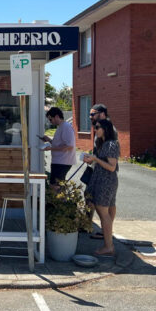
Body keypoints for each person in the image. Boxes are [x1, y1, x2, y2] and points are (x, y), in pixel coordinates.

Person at [82, 118, 120, 257]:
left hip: (106, 181)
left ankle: (108, 246)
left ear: (105, 129)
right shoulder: (103, 143)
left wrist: (95, 159)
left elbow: (111, 167)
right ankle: (108, 244)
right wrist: (92, 159)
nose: (95, 129)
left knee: (103, 212)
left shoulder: (111, 144)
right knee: (103, 211)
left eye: (97, 127)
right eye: (94, 127)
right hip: (100, 180)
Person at [39, 107, 76, 185]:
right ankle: (61, 197)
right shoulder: (61, 127)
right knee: (55, 185)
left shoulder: (66, 127)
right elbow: (59, 144)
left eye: (50, 119)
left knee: (56, 187)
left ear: (56, 116)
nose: (50, 122)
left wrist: (50, 148)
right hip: (59, 161)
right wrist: (49, 140)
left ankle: (62, 197)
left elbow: (70, 146)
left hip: (63, 162)